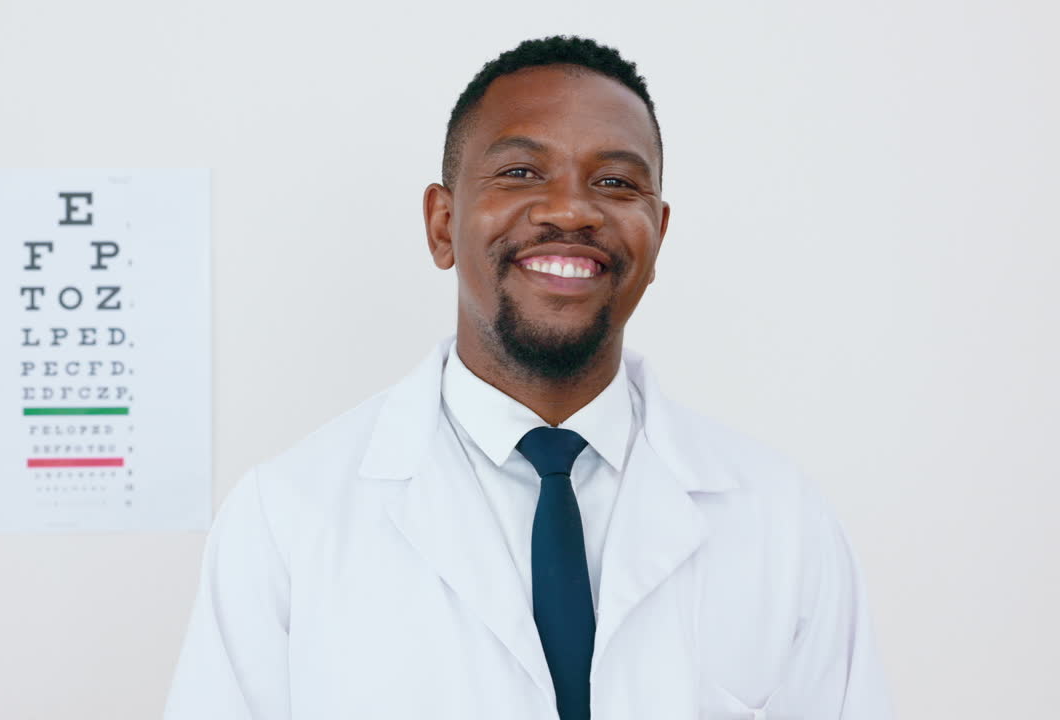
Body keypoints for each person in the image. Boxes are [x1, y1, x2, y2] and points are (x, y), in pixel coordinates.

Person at [165, 35, 894, 720]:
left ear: (658, 235)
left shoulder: (781, 521)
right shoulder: (285, 519)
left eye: (615, 182)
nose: (572, 209)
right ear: (442, 224)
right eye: (520, 172)